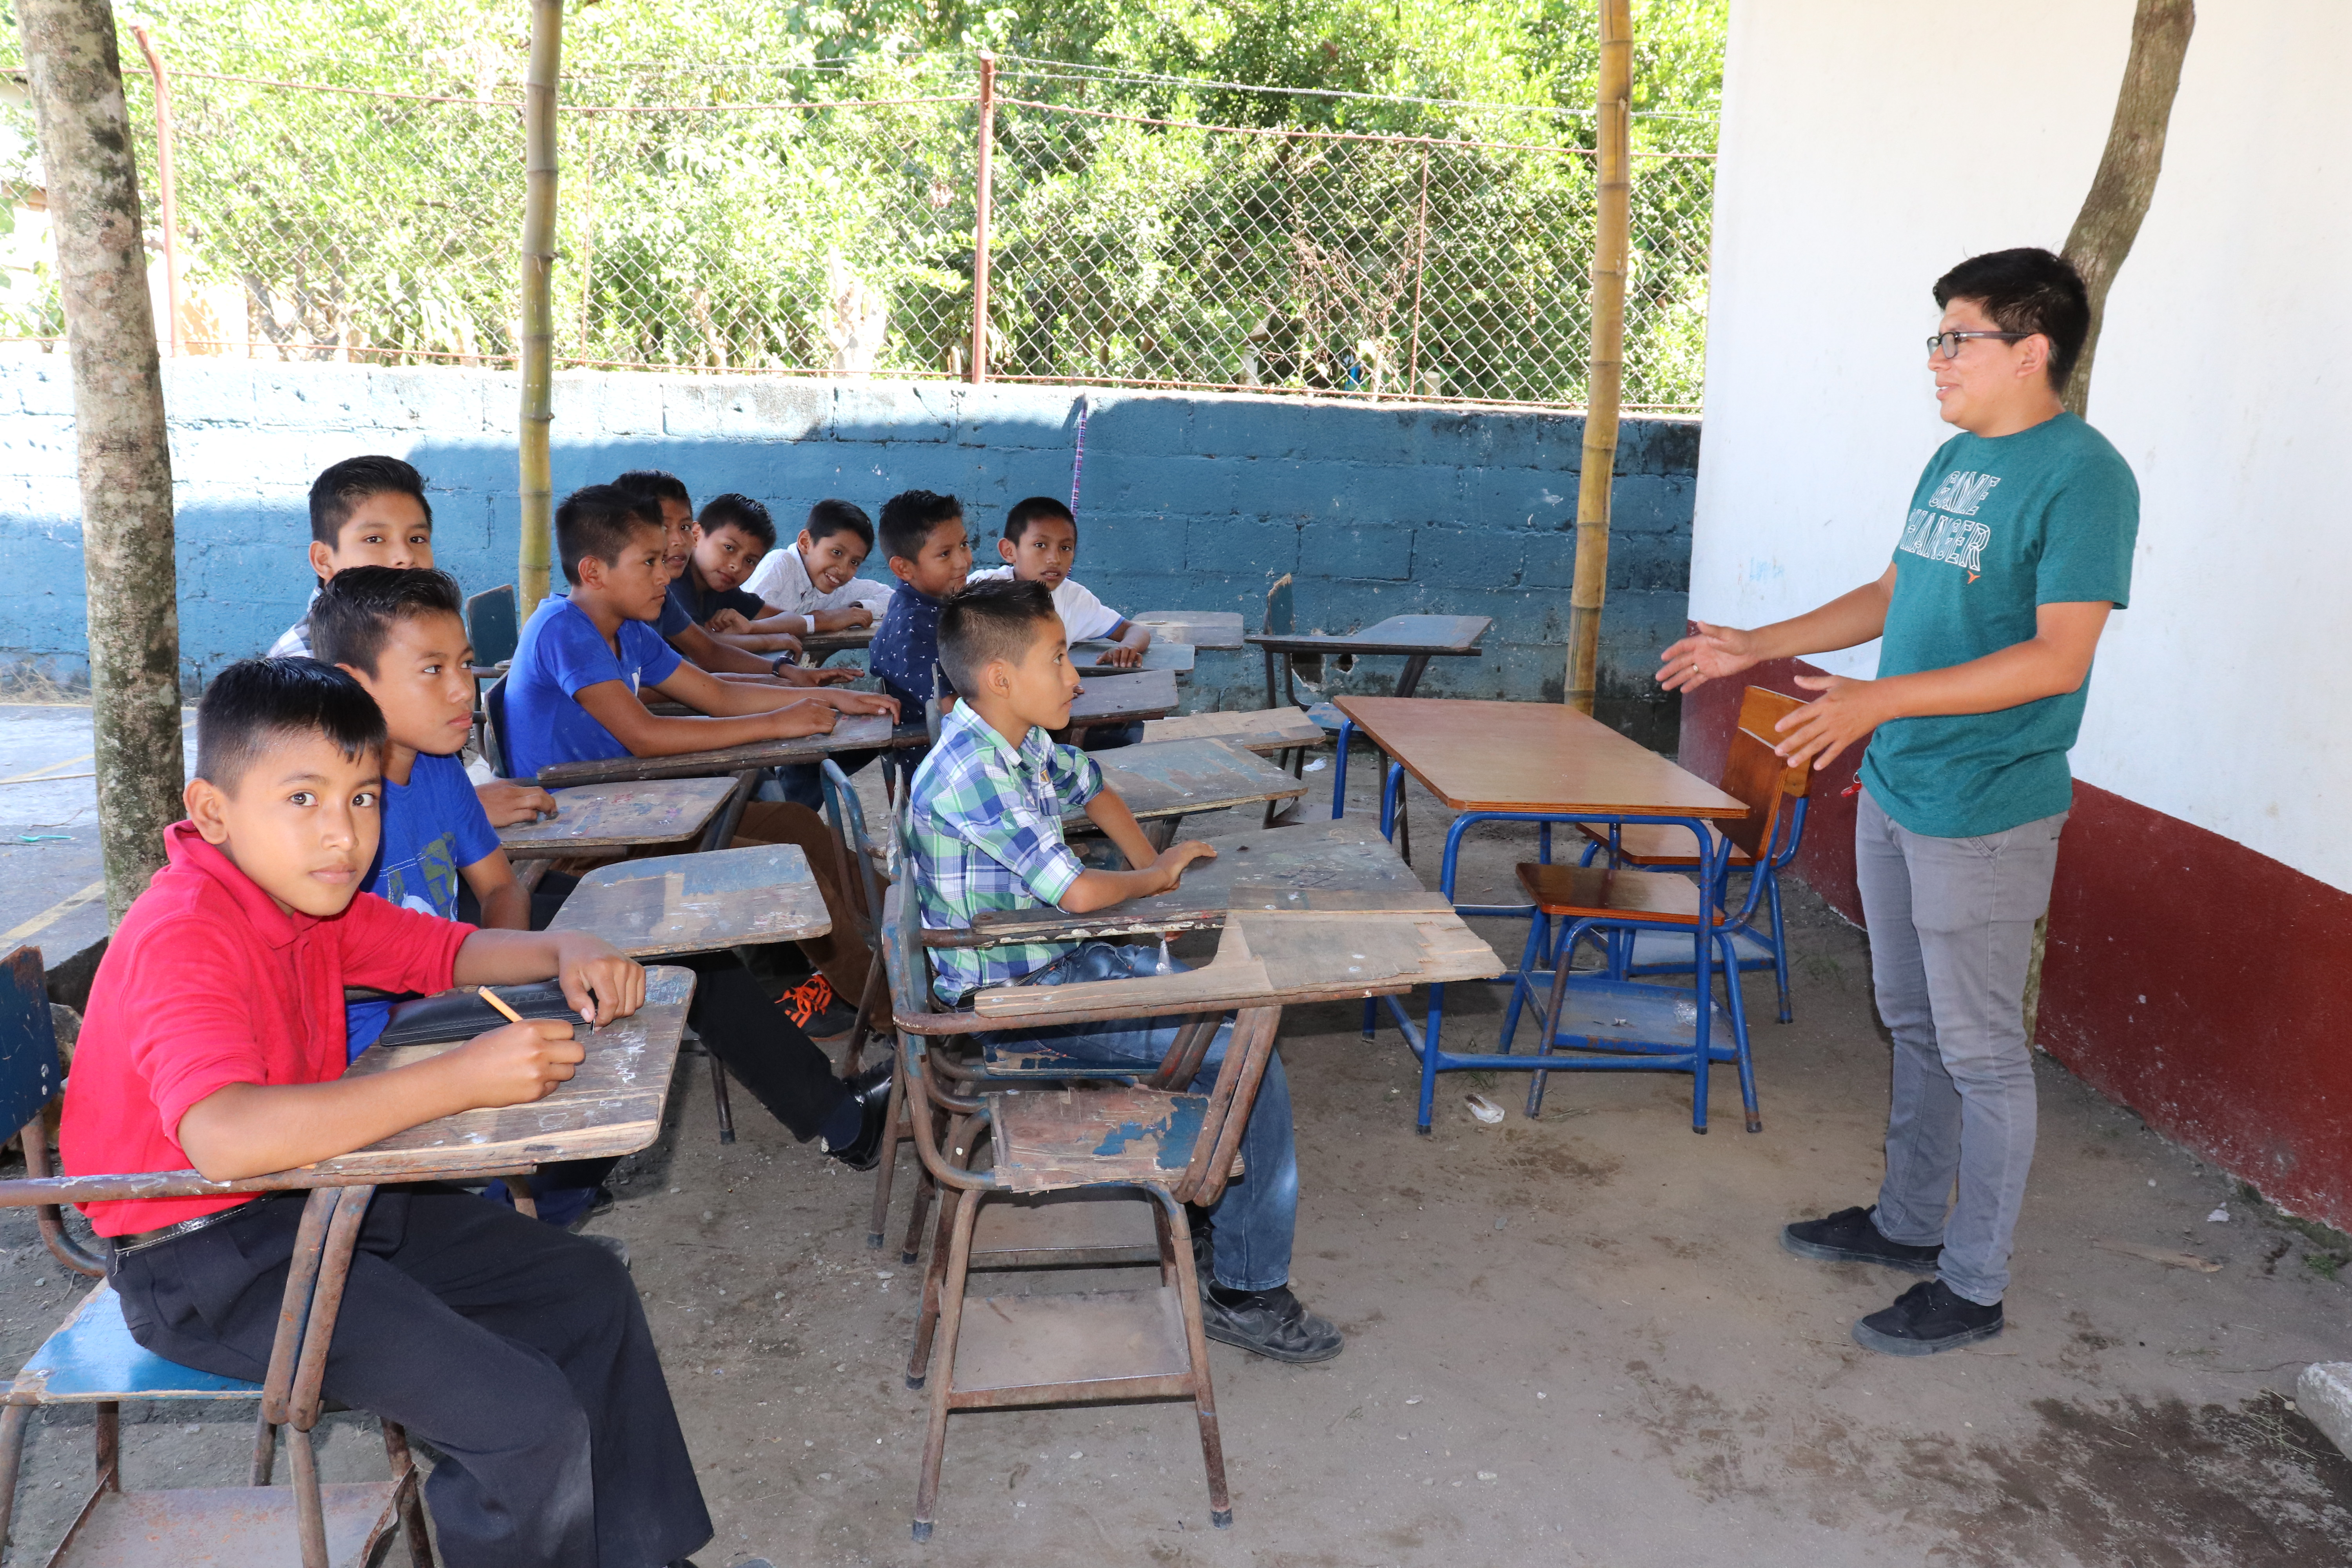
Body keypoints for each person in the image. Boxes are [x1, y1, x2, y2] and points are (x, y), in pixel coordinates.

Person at [60, 656, 715, 1568]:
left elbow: (445, 950)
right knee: (523, 1421)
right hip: (206, 1261)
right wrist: (461, 1077)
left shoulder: (306, 900)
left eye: (363, 798)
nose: (343, 834)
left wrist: (566, 943)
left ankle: (639, 1555)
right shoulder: (187, 931)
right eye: (303, 798)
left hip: (321, 1197)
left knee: (585, 1290)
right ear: (213, 811)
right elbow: (226, 1136)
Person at [1660, 247, 2138, 1357]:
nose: (1936, 359)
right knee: (1914, 1020)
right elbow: (1892, 591)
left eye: (1955, 337)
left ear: (2032, 350)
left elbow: (2058, 659)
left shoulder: (2085, 476)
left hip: (1986, 803)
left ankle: (1975, 1285)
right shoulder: (1957, 459)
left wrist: (1878, 703)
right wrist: (1755, 645)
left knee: (1979, 1047)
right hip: (1900, 780)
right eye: (1937, 338)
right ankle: (1910, 1223)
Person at [314, 566, 891, 1194]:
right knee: (607, 1027)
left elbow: (503, 888)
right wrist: (494, 1000)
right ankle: (553, 1197)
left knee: (682, 946)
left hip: (465, 955)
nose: (461, 691)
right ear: (354, 687)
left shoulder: (435, 765)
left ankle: (839, 1119)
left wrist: (503, 979)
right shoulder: (337, 810)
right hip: (396, 1014)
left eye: (465, 665)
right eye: (432, 671)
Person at [903, 577, 1344, 1363]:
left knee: (1220, 991)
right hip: (1018, 1006)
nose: (1077, 675)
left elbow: (1095, 785)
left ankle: (1214, 1224)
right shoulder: (971, 769)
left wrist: (1157, 867)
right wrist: (1155, 880)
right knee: (1248, 1051)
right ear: (1001, 676)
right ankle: (1247, 1289)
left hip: (1058, 961)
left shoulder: (1014, 737)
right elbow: (1079, 891)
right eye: (1060, 656)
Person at [501, 484, 894, 1046]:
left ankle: (909, 937)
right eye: (651, 562)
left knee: (799, 827)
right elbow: (646, 735)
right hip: (580, 842)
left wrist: (830, 700)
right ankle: (894, 1011)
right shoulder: (565, 630)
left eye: (665, 559)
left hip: (636, 812)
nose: (667, 574)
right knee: (789, 873)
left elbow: (713, 690)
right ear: (594, 571)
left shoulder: (630, 626)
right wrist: (779, 721)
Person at [612, 468, 857, 690]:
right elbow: (704, 650)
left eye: (684, 527)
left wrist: (780, 667)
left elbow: (710, 653)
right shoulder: (672, 586)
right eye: (729, 548)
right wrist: (769, 645)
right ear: (700, 536)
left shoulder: (673, 594)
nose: (736, 565)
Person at [968, 494, 1152, 749]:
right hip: (995, 712)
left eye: (1065, 548)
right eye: (1041, 545)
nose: (1054, 558)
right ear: (1009, 551)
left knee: (1126, 726)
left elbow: (1135, 630)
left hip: (1050, 710)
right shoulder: (985, 590)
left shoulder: (1074, 598)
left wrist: (1128, 648)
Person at [867, 489, 975, 770]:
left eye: (964, 544)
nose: (963, 562)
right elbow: (955, 712)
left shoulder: (938, 605)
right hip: (948, 774)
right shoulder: (912, 630)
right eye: (945, 554)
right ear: (903, 568)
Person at [726, 497, 895, 644]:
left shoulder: (839, 585)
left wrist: (853, 609)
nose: (843, 570)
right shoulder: (780, 565)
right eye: (836, 552)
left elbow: (893, 599)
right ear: (806, 542)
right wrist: (819, 620)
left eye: (855, 562)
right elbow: (745, 626)